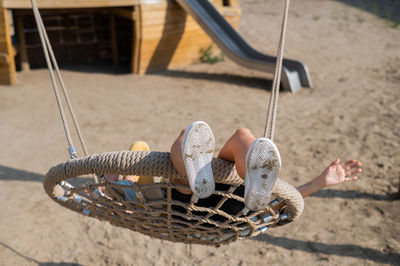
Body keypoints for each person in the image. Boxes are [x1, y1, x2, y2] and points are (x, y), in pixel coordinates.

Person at [105, 121, 361, 216]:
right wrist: (319, 182)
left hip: (182, 206)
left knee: (166, 143)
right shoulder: (255, 207)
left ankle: (191, 172)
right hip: (234, 207)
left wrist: (113, 181)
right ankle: (251, 169)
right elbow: (279, 206)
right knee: (241, 135)